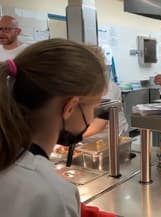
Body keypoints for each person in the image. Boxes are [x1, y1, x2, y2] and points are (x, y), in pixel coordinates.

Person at [0, 38, 107, 217]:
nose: (91, 117)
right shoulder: (49, 193)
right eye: (93, 108)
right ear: (70, 107)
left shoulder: (10, 157)